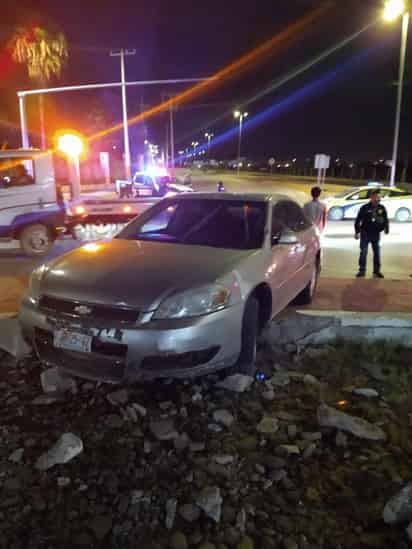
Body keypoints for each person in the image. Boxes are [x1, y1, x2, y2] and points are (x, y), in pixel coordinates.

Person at [354, 189, 389, 279]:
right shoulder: (365, 207)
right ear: (372, 197)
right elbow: (358, 220)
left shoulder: (381, 208)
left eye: (379, 197)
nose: (378, 198)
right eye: (376, 197)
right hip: (365, 233)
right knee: (363, 252)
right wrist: (357, 232)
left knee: (377, 253)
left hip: (376, 234)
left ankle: (376, 271)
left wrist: (386, 228)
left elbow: (385, 219)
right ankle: (362, 270)